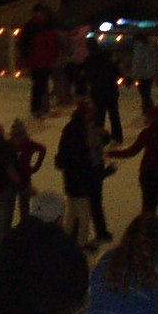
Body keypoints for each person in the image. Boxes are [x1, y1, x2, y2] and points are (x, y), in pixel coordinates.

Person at [106, 105, 158, 228]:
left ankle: (149, 233)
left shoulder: (148, 133)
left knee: (149, 209)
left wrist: (112, 153)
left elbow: (132, 151)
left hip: (149, 175)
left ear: (153, 118)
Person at [56, 100, 111, 249]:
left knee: (74, 212)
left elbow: (96, 146)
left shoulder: (87, 127)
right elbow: (79, 157)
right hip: (79, 177)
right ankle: (80, 243)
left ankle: (69, 240)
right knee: (83, 213)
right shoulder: (76, 130)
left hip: (80, 176)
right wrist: (97, 172)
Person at [20, 5, 60, 118]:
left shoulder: (49, 26)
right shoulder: (30, 28)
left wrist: (54, 57)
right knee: (38, 86)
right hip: (36, 62)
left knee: (43, 85)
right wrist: (26, 61)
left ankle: (43, 107)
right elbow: (24, 46)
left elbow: (53, 44)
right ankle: (36, 109)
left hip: (46, 61)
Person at [129, 31, 157, 113]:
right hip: (149, 73)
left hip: (142, 74)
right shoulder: (151, 46)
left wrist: (133, 75)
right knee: (147, 93)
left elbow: (137, 62)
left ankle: (148, 110)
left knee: (145, 94)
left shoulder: (139, 48)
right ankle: (149, 109)